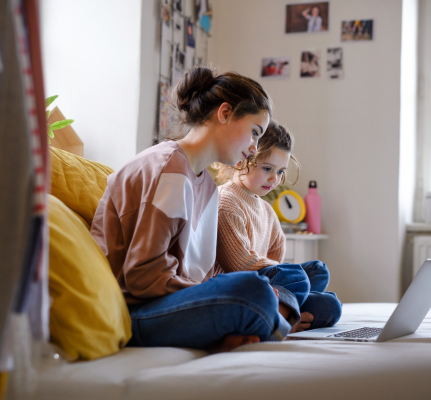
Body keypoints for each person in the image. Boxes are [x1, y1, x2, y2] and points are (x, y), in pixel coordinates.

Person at [90, 66, 293, 353]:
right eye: (254, 133)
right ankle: (277, 322)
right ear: (224, 113)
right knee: (253, 291)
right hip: (137, 311)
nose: (254, 148)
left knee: (316, 297)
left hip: (172, 301)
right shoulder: (169, 169)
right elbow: (143, 276)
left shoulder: (206, 185)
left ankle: (265, 323)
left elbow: (201, 274)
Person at [216, 121, 342, 333]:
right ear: (241, 161)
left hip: (267, 285)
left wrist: (284, 280)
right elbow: (239, 266)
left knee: (323, 284)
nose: (275, 179)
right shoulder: (227, 202)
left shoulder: (265, 208)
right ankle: (279, 320)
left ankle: (287, 308)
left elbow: (277, 256)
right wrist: (287, 277)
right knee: (299, 279)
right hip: (242, 285)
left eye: (281, 172)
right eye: (267, 169)